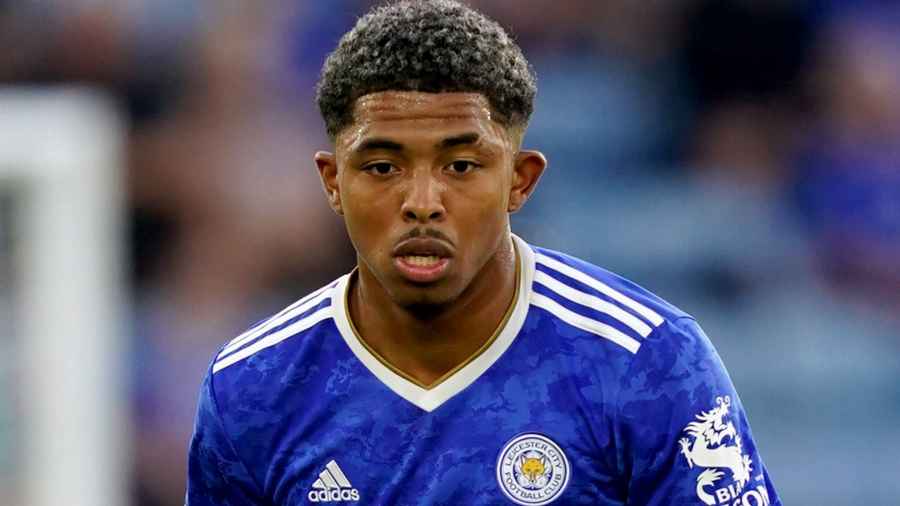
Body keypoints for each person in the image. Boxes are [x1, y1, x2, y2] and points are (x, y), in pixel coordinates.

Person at [185, 1, 780, 504]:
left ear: (520, 180)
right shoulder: (252, 389)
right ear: (333, 182)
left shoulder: (646, 362)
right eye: (383, 166)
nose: (422, 203)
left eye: (462, 166)